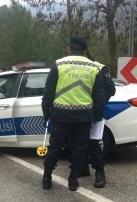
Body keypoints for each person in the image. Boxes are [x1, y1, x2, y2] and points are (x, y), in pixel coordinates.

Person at [41, 36, 105, 191]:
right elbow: (99, 96)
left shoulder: (58, 64)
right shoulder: (94, 68)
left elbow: (48, 92)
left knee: (55, 146)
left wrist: (46, 112)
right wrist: (96, 115)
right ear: (85, 51)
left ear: (69, 49)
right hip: (83, 116)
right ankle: (73, 181)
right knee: (79, 148)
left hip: (61, 115)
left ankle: (47, 178)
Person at [77, 50, 116, 188]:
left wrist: (97, 104)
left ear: (84, 53)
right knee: (79, 142)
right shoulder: (75, 66)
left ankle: (100, 172)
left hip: (94, 111)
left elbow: (111, 89)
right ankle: (83, 168)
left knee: (94, 142)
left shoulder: (99, 67)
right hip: (79, 111)